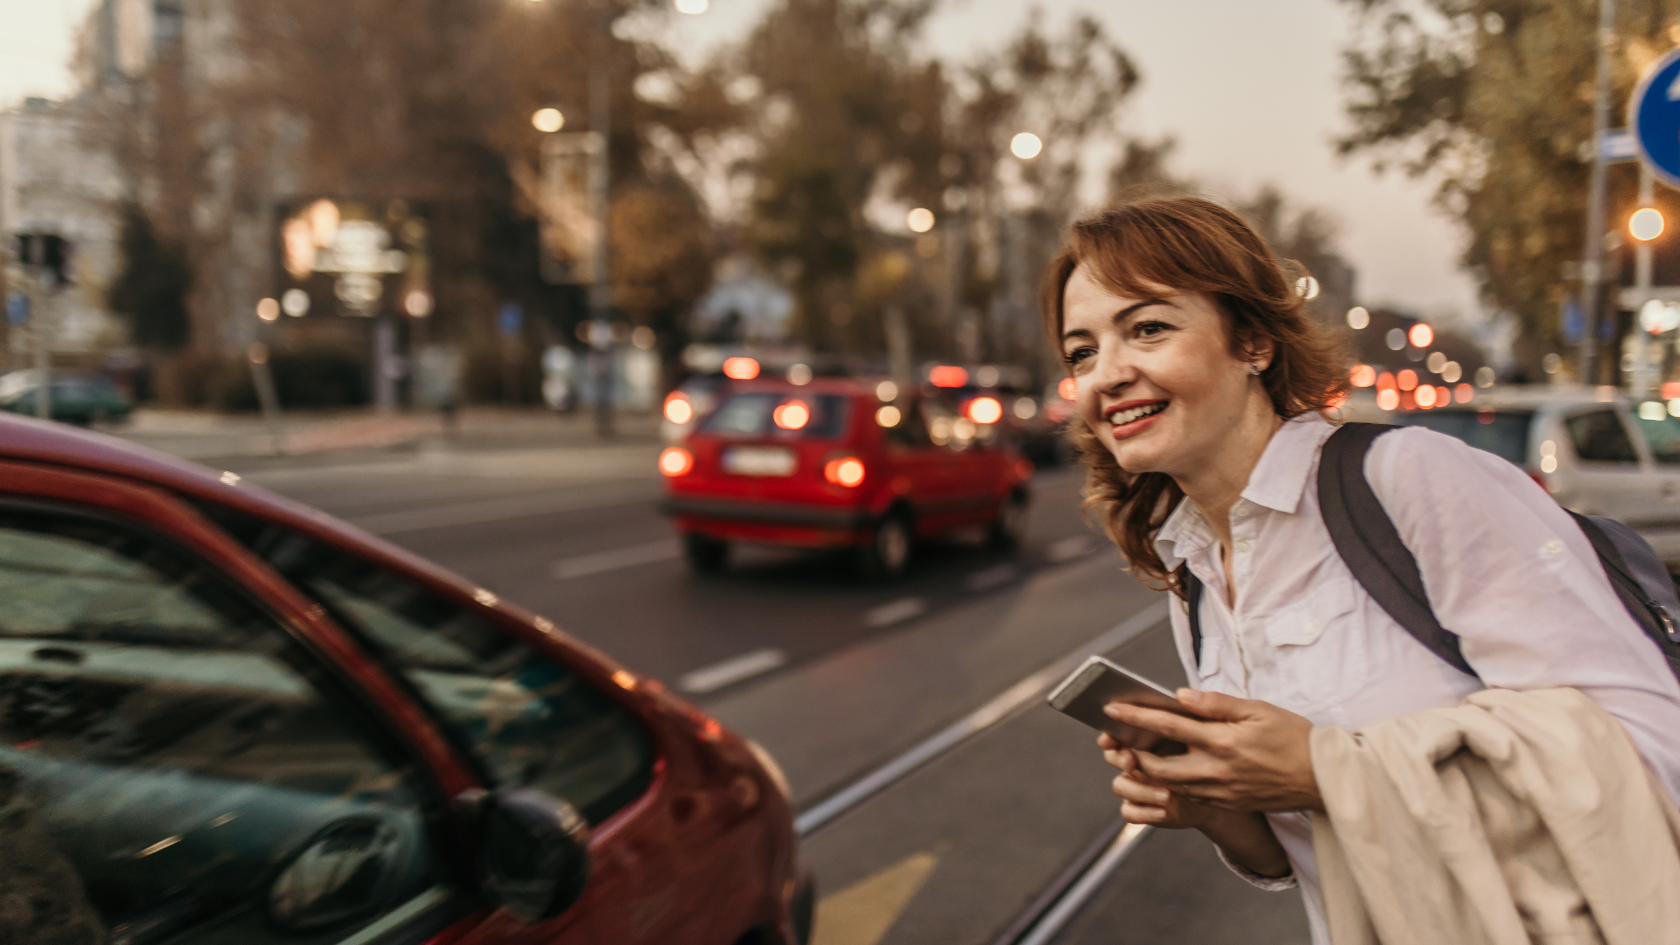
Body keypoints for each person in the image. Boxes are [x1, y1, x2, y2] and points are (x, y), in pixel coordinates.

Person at [1042, 195, 1680, 943]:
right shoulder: (1197, 574)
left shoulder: (1407, 479)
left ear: (1254, 343)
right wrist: (1230, 814)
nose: (1107, 374)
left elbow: (1653, 747)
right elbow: (1319, 852)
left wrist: (1323, 767)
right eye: (1081, 351)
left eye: (1147, 327)